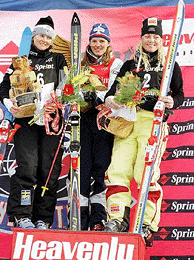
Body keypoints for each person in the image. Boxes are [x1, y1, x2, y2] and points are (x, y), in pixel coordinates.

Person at [103, 17, 184, 246]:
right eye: (147, 36)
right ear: (141, 38)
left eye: (155, 37)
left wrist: (171, 101)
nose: (151, 40)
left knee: (145, 173)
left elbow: (179, 94)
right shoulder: (131, 64)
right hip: (128, 121)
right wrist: (113, 101)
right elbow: (111, 93)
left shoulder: (169, 64)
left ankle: (147, 222)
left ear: (161, 39)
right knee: (117, 170)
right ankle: (117, 217)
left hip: (153, 122)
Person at [0, 16, 67, 229]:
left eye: (48, 37)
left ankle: (43, 219)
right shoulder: (21, 59)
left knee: (48, 171)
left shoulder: (58, 59)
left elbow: (66, 86)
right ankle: (22, 214)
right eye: (41, 35)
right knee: (28, 169)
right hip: (26, 121)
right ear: (34, 37)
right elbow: (4, 89)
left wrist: (59, 98)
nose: (44, 40)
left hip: (51, 121)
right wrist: (10, 106)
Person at [80, 23, 123, 231]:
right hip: (83, 119)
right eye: (94, 40)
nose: (98, 44)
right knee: (81, 168)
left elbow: (115, 90)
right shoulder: (79, 64)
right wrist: (81, 96)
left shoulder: (116, 63)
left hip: (106, 121)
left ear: (108, 44)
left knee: (101, 168)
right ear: (89, 42)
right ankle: (78, 216)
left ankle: (98, 217)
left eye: (102, 41)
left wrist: (98, 97)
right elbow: (67, 90)